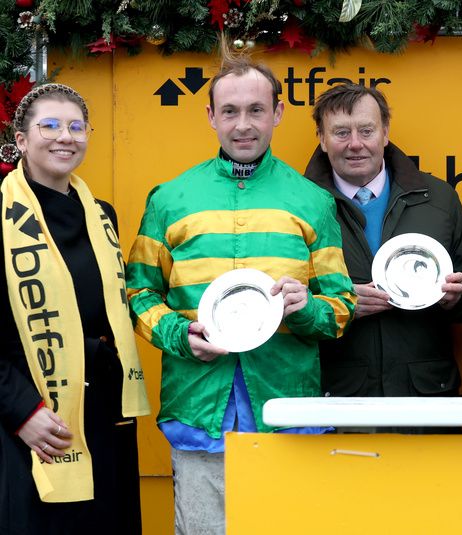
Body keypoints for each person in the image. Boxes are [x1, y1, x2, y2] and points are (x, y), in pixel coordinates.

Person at [125, 55, 356, 534]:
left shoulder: (312, 202)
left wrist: (306, 308)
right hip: (198, 409)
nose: (243, 124)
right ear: (210, 116)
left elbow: (339, 308)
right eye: (230, 111)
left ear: (277, 113)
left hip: (286, 407)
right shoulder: (169, 198)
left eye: (256, 109)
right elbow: (139, 292)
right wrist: (177, 333)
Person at [1, 84, 149, 533]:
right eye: (49, 125)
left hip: (104, 407)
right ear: (21, 140)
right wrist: (21, 412)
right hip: (31, 416)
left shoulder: (102, 214)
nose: (65, 136)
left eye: (75, 126)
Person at [304, 83, 462, 397]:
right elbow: (283, 299)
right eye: (341, 133)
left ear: (385, 133)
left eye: (366, 130)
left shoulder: (439, 198)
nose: (355, 144)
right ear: (322, 139)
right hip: (337, 398)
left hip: (426, 396)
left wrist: (456, 297)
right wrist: (339, 305)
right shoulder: (300, 207)